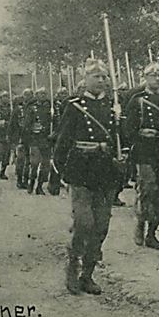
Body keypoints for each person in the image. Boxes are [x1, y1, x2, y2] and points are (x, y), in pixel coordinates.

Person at [53, 58, 125, 295]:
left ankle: (88, 275)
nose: (102, 81)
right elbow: (62, 141)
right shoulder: (75, 106)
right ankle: (72, 267)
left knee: (101, 226)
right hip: (80, 171)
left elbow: (120, 141)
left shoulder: (113, 106)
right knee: (84, 224)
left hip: (105, 172)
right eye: (96, 76)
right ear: (85, 80)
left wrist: (122, 156)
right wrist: (61, 173)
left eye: (105, 77)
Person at [124, 62, 159, 250]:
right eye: (153, 76)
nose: (157, 79)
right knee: (147, 187)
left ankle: (152, 232)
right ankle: (141, 222)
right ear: (145, 78)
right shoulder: (137, 100)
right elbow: (129, 129)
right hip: (143, 149)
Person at [24, 87, 52, 194]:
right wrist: (32, 128)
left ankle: (39, 186)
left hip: (46, 139)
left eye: (45, 94)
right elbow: (27, 124)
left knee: (45, 165)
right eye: (41, 94)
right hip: (35, 139)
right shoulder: (32, 108)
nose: (43, 96)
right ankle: (31, 183)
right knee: (35, 163)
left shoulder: (51, 108)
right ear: (37, 95)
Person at [9, 89, 33, 188]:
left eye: (30, 95)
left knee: (28, 161)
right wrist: (11, 137)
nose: (28, 97)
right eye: (26, 95)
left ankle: (26, 180)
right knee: (21, 160)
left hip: (30, 138)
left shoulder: (33, 109)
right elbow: (12, 124)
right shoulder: (18, 110)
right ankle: (19, 180)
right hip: (20, 137)